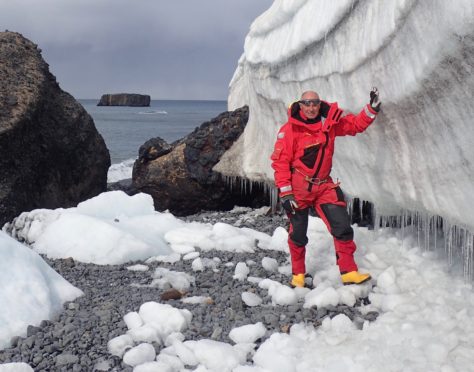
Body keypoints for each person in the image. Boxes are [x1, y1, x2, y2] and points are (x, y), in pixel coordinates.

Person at [271, 88, 381, 287]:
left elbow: (354, 125)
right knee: (298, 233)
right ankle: (298, 275)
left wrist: (371, 110)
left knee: (342, 227)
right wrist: (286, 194)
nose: (311, 107)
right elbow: (280, 163)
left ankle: (349, 272)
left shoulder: (329, 125)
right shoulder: (289, 130)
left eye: (315, 103)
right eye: (307, 103)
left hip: (324, 186)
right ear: (300, 105)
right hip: (298, 190)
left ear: (319, 104)